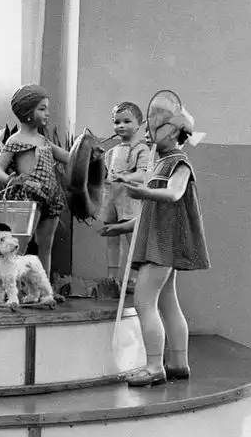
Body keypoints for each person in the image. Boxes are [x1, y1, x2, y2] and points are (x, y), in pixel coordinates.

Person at [99, 105, 209, 387]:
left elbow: (173, 194)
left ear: (172, 133)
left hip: (161, 246)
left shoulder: (179, 163)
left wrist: (144, 191)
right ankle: (178, 363)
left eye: (153, 129)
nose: (147, 134)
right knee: (168, 302)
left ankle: (153, 367)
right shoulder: (159, 164)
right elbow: (151, 213)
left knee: (144, 301)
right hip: (158, 241)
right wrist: (122, 227)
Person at [0, 85, 69, 274]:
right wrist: (10, 180)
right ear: (27, 112)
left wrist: (89, 153)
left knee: (46, 246)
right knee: (19, 246)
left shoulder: (44, 141)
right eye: (42, 109)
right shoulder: (15, 140)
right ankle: (14, 285)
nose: (47, 113)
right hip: (28, 198)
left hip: (51, 198)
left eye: (47, 108)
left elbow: (69, 158)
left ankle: (43, 287)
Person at [99, 102, 150, 285]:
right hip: (111, 198)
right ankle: (112, 278)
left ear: (139, 124)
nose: (121, 126)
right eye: (117, 122)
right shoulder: (111, 152)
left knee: (132, 238)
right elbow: (105, 175)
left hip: (129, 198)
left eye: (127, 121)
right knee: (111, 237)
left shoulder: (141, 149)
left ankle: (134, 278)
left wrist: (126, 177)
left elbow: (143, 174)